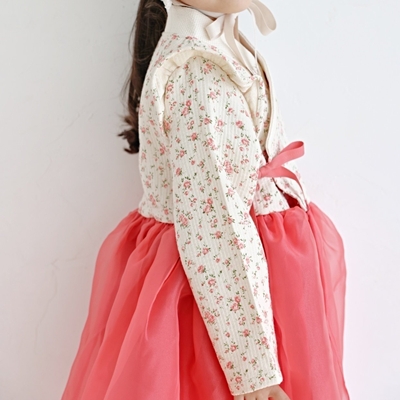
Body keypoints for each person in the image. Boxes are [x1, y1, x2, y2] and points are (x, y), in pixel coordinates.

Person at [61, 0, 350, 399]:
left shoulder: (216, 42)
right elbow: (214, 227)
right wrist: (254, 373)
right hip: (224, 290)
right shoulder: (198, 76)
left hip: (247, 272)